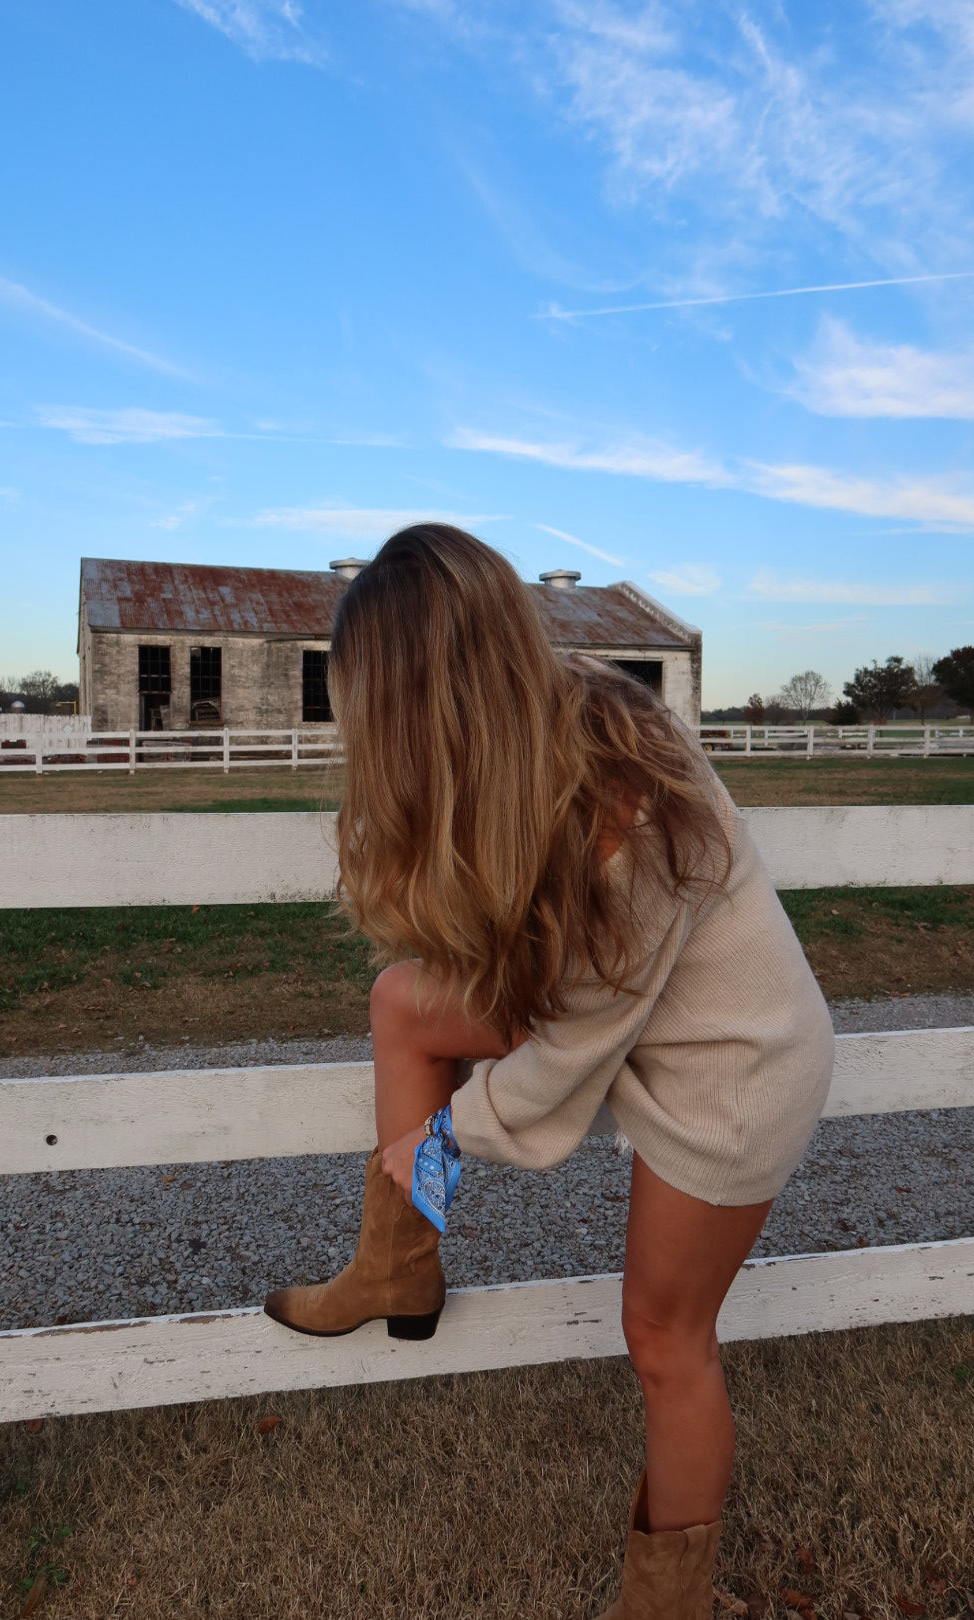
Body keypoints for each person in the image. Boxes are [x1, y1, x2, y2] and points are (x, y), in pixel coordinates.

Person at [263, 523, 834, 1619]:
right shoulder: (535, 717)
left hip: (734, 1067)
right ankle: (400, 1263)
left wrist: (445, 1132)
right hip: (633, 1014)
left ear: (422, 692)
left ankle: (670, 1606)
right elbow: (563, 988)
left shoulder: (625, 790)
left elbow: (578, 1042)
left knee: (666, 1341)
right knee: (402, 1002)